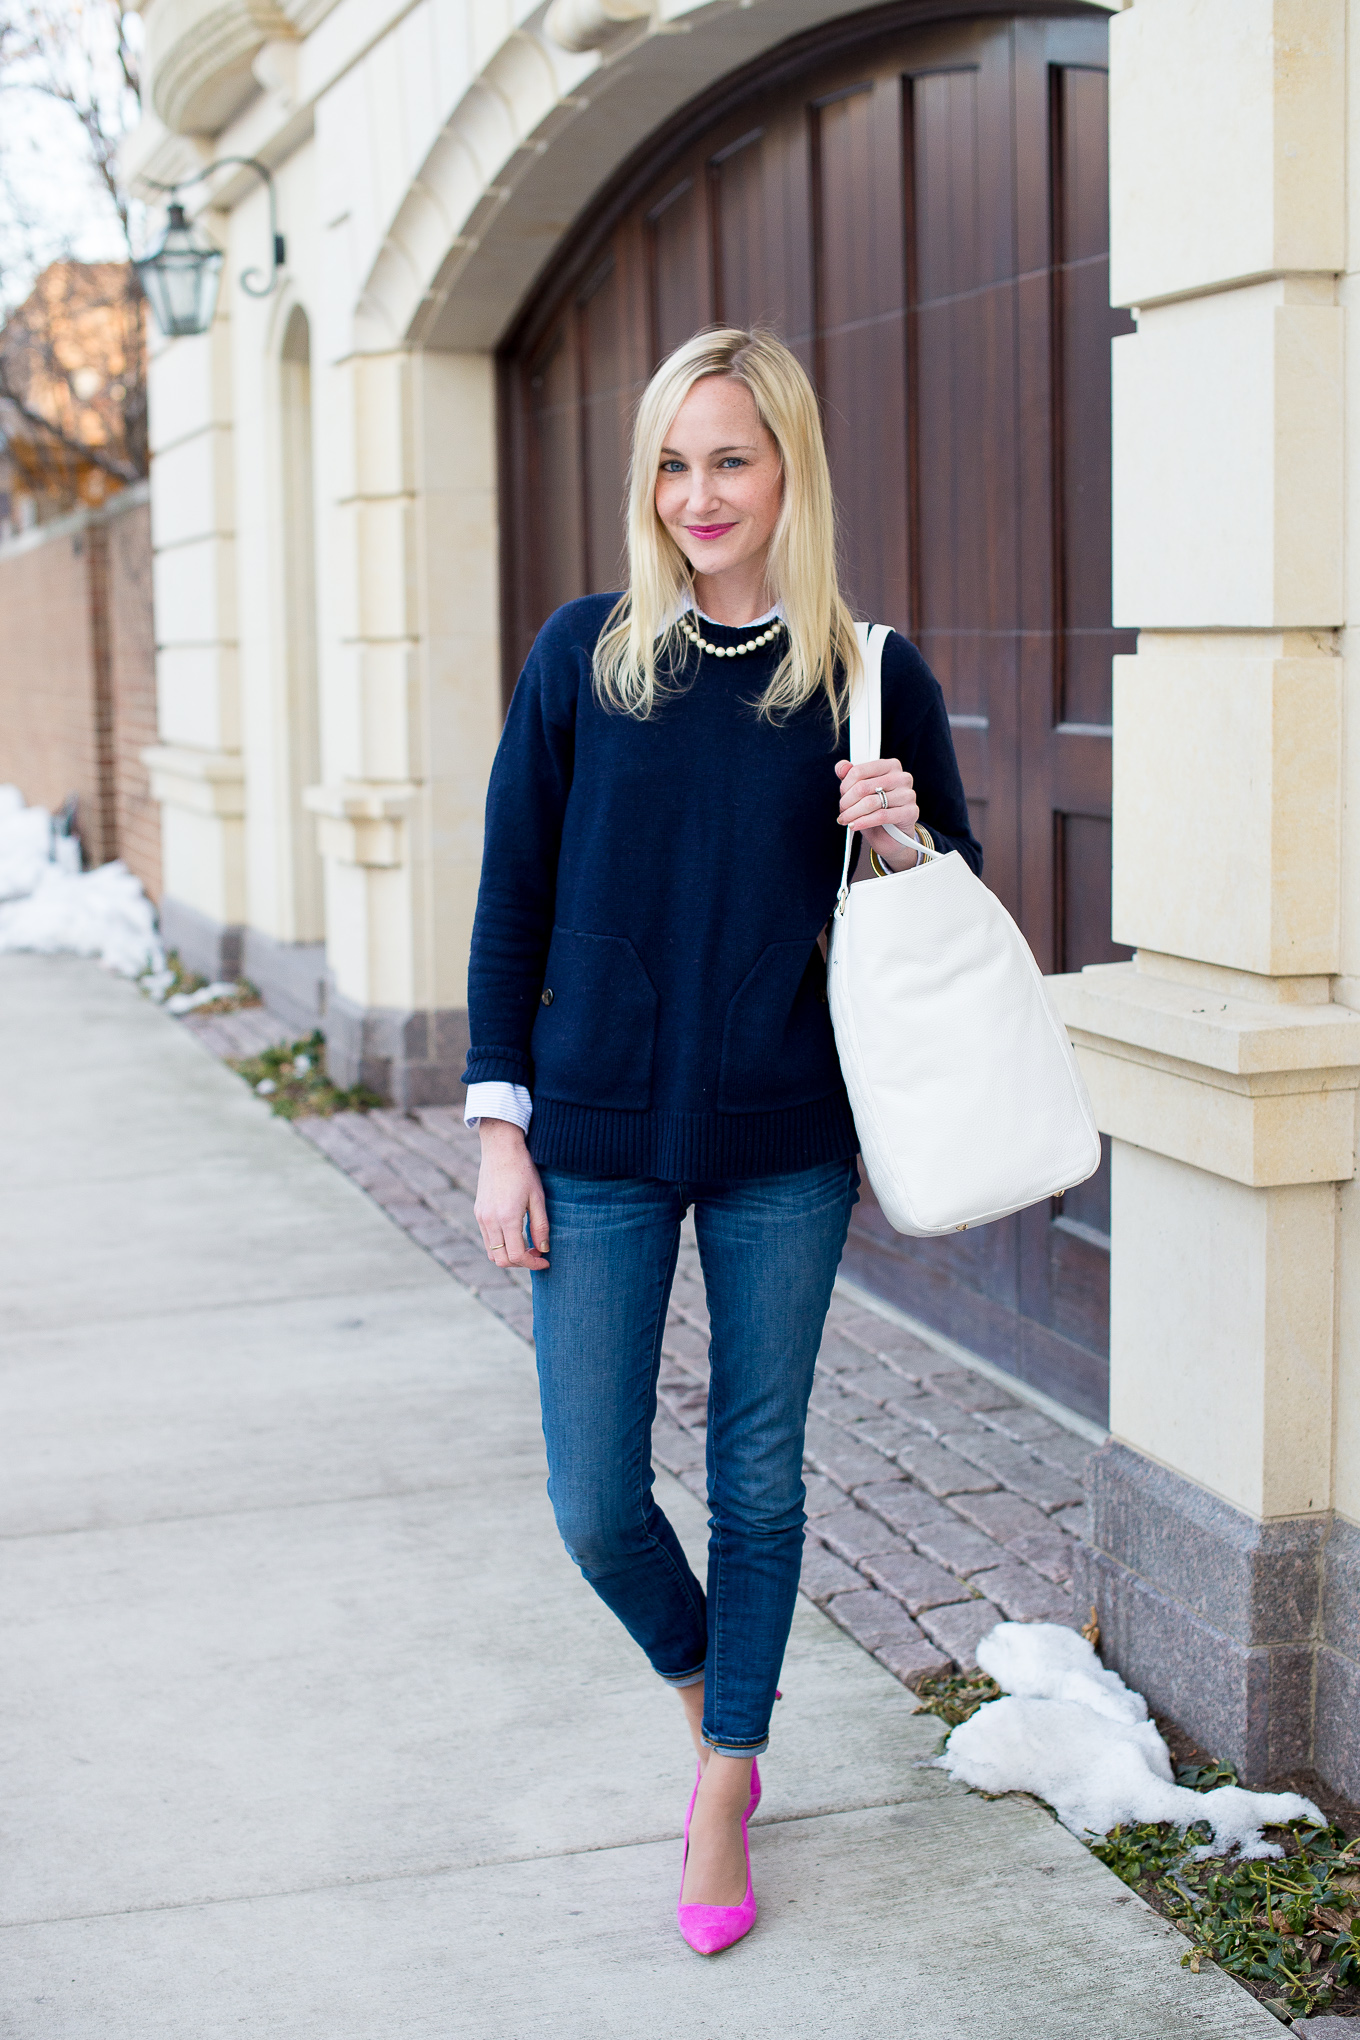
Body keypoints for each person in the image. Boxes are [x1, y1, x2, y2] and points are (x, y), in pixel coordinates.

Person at [464, 326, 981, 1954]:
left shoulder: (866, 672)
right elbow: (510, 904)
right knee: (595, 1496)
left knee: (757, 1478)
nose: (698, 493)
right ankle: (714, 1691)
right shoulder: (585, 657)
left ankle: (725, 1778)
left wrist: (897, 839)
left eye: (731, 460)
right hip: (600, 1134)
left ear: (788, 472)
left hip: (783, 1139)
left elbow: (937, 917)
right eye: (674, 463)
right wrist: (501, 1130)